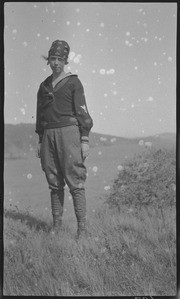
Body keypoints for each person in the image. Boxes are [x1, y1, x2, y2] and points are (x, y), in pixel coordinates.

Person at [35, 40, 93, 239]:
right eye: (53, 58)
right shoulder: (43, 86)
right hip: (48, 134)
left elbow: (83, 112)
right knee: (54, 182)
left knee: (75, 180)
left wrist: (84, 139)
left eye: (60, 59)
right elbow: (40, 114)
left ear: (65, 61)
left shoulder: (73, 82)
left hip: (69, 132)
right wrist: (41, 140)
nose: (56, 63)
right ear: (48, 60)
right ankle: (57, 227)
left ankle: (82, 230)